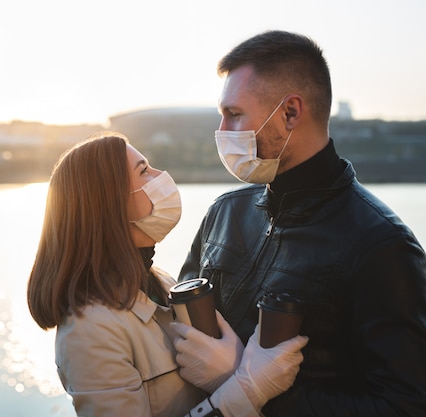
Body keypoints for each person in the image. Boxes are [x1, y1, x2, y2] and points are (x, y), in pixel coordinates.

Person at [174, 30, 426, 416]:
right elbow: (179, 338)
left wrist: (253, 390)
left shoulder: (381, 246)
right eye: (221, 115)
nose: (222, 131)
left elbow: (405, 405)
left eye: (235, 114)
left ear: (290, 112)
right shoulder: (223, 213)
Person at [27, 131, 308, 417]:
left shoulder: (159, 282)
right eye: (144, 170)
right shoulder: (89, 331)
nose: (161, 174)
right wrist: (250, 386)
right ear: (110, 203)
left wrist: (230, 372)